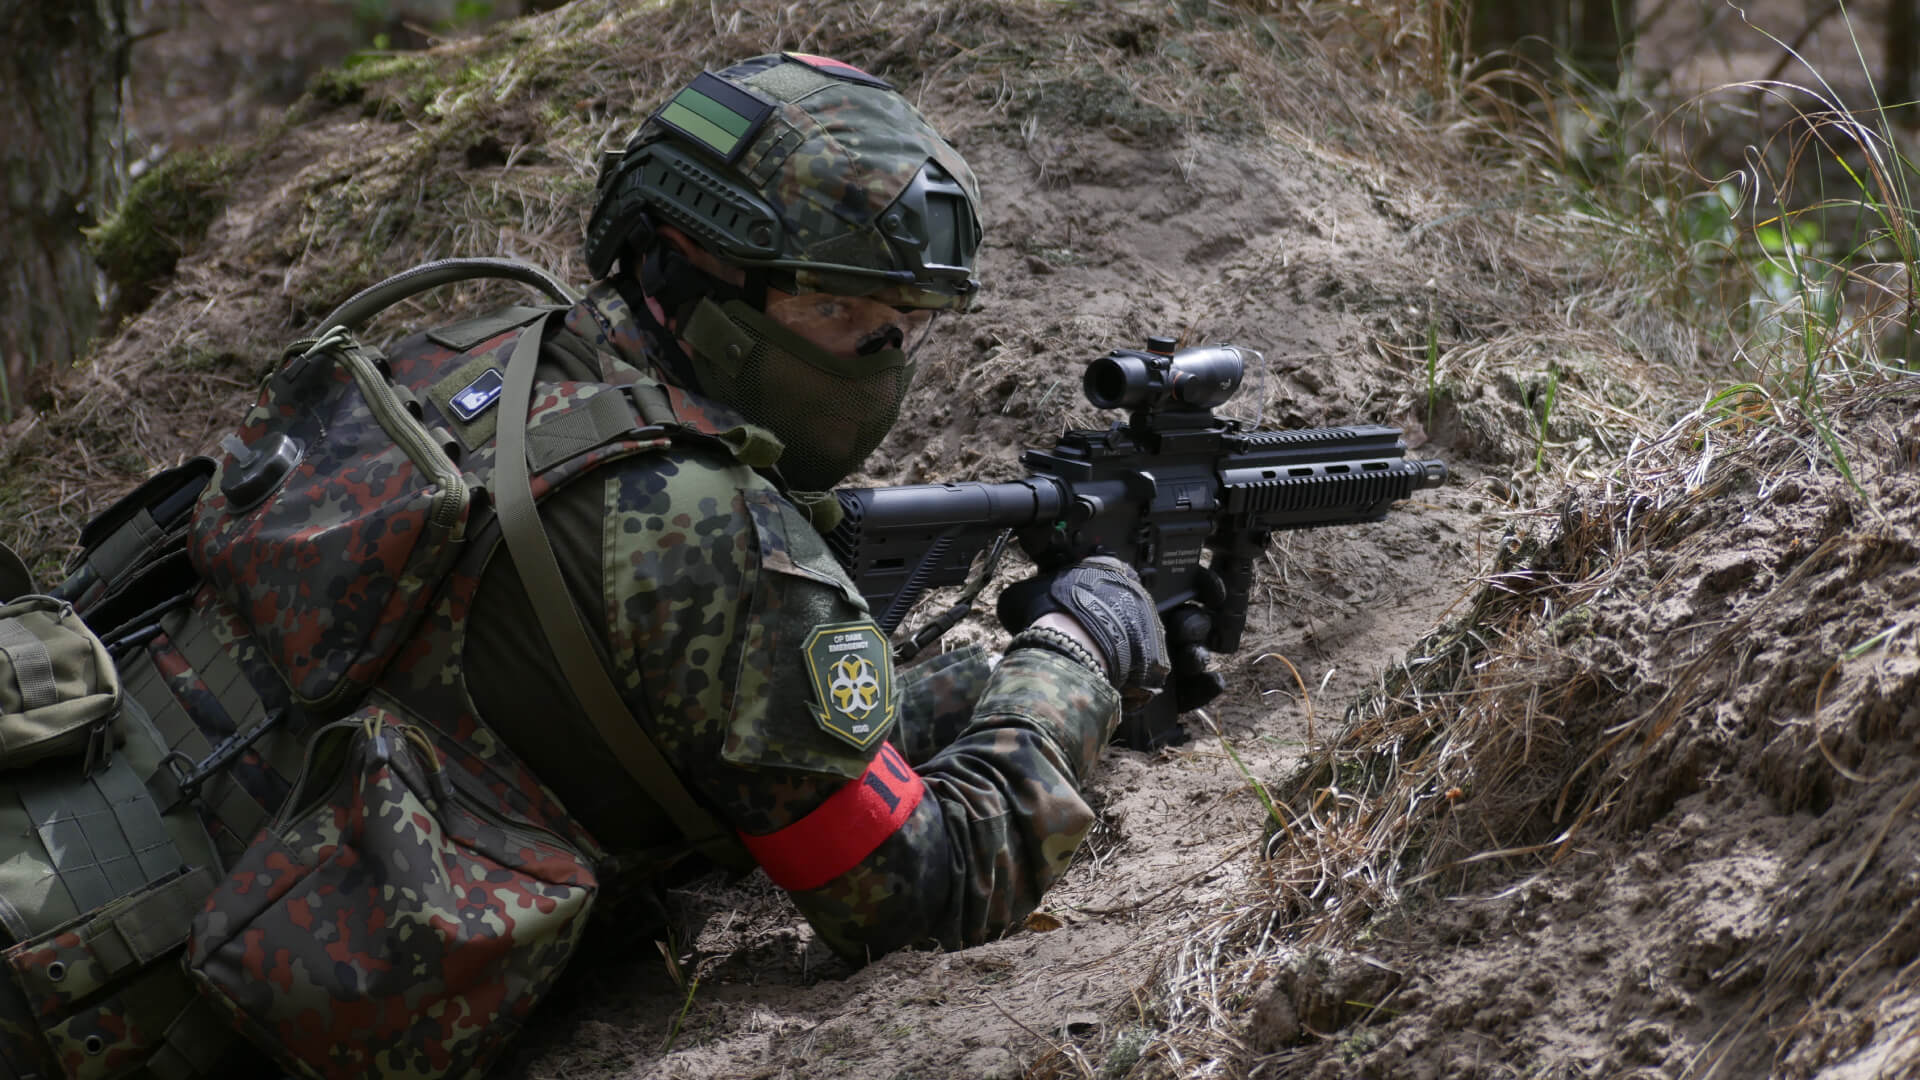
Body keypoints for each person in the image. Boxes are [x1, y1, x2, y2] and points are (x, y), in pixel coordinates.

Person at [445, 52, 1171, 959]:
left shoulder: (478, 360)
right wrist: (1072, 652)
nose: (878, 361)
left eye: (907, 324)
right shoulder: (708, 525)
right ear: (677, 264)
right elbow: (932, 891)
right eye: (832, 309)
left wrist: (985, 685)